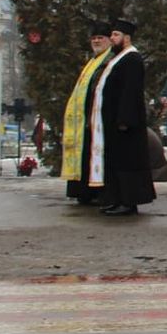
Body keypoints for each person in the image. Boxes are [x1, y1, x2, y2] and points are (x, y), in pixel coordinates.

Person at [95, 18, 154, 217]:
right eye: (111, 35)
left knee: (127, 162)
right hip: (113, 121)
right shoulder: (118, 58)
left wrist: (124, 119)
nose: (112, 39)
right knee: (116, 161)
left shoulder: (132, 59)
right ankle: (116, 198)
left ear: (126, 38)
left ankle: (129, 202)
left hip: (126, 123)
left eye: (115, 35)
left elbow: (131, 91)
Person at [62, 21, 113, 205]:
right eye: (94, 38)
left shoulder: (108, 60)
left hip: (97, 117)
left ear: (109, 40)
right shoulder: (92, 61)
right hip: (84, 118)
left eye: (101, 38)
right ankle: (82, 191)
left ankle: (94, 192)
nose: (97, 41)